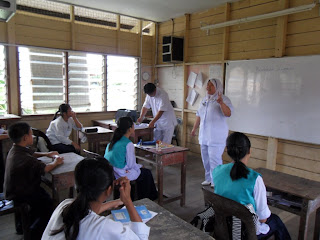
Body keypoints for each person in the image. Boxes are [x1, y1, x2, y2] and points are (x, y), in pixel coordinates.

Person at [42, 158, 150, 240]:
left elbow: (88, 211)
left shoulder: (64, 205)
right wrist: (128, 201)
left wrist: (115, 202)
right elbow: (140, 237)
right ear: (109, 190)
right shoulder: (105, 227)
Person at [213, 132, 291, 239]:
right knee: (276, 220)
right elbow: (263, 218)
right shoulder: (255, 179)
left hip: (222, 226)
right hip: (244, 233)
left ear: (227, 150)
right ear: (249, 151)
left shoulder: (217, 171)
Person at [4, 122, 64, 239]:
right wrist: (56, 162)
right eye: (31, 134)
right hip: (21, 192)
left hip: (13, 188)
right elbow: (45, 168)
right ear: (25, 137)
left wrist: (47, 154)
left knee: (41, 197)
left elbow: (32, 153)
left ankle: (23, 225)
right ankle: (34, 234)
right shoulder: (25, 159)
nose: (33, 137)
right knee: (48, 204)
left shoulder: (15, 149)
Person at [191, 79, 233, 187]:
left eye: (211, 86)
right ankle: (209, 178)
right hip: (204, 135)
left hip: (216, 137)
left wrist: (221, 103)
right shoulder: (204, 99)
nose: (208, 87)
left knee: (215, 160)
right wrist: (194, 128)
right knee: (205, 159)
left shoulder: (224, 99)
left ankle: (217, 181)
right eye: (207, 85)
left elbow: (228, 113)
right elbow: (198, 115)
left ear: (217, 87)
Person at [105, 117, 158, 201]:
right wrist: (140, 166)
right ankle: (146, 198)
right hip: (120, 173)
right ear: (130, 129)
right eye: (133, 126)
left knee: (143, 172)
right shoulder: (128, 144)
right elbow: (131, 165)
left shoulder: (113, 141)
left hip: (111, 171)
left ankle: (146, 196)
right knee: (146, 173)